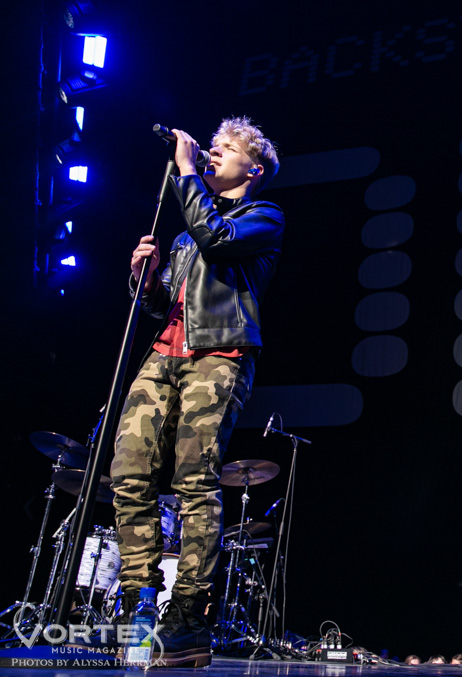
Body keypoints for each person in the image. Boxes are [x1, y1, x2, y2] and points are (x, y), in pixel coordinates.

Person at [110, 116, 282, 667]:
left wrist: (185, 172)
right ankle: (136, 597)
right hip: (164, 353)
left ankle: (186, 616)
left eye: (223, 148)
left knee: (193, 479)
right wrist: (147, 279)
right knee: (128, 471)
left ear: (252, 170)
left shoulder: (263, 216)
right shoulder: (187, 231)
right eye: (208, 147)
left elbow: (220, 241)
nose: (209, 153)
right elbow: (164, 305)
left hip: (220, 355)